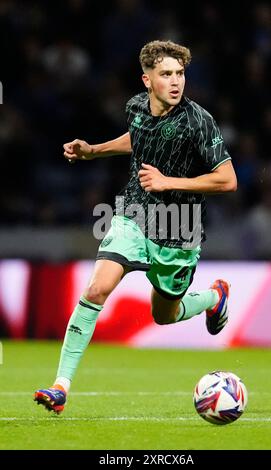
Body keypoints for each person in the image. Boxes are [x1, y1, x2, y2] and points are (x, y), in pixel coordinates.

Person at [34, 40, 237, 414]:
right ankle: (60, 386)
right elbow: (138, 138)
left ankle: (214, 298)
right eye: (166, 74)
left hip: (180, 228)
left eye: (180, 74)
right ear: (147, 80)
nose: (176, 82)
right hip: (134, 214)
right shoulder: (135, 107)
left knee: (165, 315)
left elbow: (227, 180)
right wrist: (93, 150)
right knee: (97, 289)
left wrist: (168, 182)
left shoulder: (198, 120)